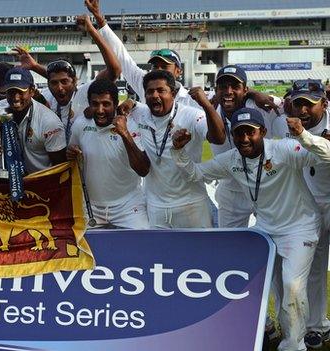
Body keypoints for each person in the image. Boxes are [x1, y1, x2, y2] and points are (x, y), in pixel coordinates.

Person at [171, 107, 330, 351]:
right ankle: (286, 335)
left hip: (300, 227)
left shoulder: (283, 149)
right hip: (266, 228)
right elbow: (196, 174)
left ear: (263, 132)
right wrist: (178, 151)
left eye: (250, 132)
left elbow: (327, 154)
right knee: (276, 286)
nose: (244, 139)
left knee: (292, 286)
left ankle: (294, 346)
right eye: (239, 133)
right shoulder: (232, 160)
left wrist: (303, 136)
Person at [85, 0, 278, 112]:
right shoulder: (144, 85)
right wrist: (101, 22)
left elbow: (229, 95)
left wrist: (253, 93)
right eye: (155, 66)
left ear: (178, 71)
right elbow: (122, 57)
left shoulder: (194, 97)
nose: (159, 70)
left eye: (165, 66)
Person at [120, 70, 225, 228]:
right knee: (160, 253)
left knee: (198, 253)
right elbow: (129, 106)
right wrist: (130, 102)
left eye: (161, 90)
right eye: (150, 91)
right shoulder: (140, 113)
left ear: (174, 93)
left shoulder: (191, 115)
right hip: (156, 207)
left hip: (192, 206)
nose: (155, 95)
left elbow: (218, 138)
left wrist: (207, 105)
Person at [272, 80, 330, 348]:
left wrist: (303, 136)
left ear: (324, 103)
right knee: (315, 269)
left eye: (310, 103)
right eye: (299, 103)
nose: (304, 109)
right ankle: (316, 326)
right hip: (306, 207)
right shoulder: (284, 121)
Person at [14, 14, 121, 144]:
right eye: (54, 83)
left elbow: (114, 70)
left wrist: (92, 31)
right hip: (58, 160)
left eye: (64, 82)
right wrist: (35, 67)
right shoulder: (47, 97)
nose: (59, 88)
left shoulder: (85, 93)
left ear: (75, 81)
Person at [67, 79, 148, 229]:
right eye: (95, 104)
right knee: (81, 250)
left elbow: (143, 170)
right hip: (91, 206)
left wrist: (124, 133)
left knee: (142, 244)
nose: (100, 110)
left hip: (128, 205)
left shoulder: (130, 125)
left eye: (106, 104)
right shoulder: (81, 123)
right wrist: (70, 154)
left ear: (116, 103)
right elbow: (71, 157)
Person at [210, 65, 281, 228]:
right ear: (215, 90)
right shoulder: (209, 108)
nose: (228, 91)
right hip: (231, 192)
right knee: (229, 245)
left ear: (245, 89)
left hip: (265, 188)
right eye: (222, 87)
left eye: (235, 86)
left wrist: (255, 94)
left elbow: (288, 104)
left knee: (272, 242)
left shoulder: (261, 106)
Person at [0, 67, 67, 174]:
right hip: (11, 180)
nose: (16, 98)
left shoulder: (49, 122)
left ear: (32, 91)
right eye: (11, 91)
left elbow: (60, 166)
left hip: (41, 182)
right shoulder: (0, 109)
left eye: (20, 91)